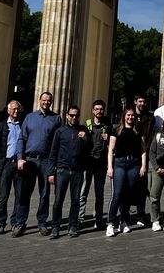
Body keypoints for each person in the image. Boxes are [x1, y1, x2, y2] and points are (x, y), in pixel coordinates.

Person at [13, 92, 60, 237]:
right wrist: (20, 158)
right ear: (39, 101)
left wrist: (54, 164)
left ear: (51, 102)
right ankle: (20, 223)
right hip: (30, 160)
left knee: (44, 194)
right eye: (44, 100)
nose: (46, 102)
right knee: (24, 193)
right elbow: (21, 139)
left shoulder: (56, 118)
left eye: (49, 100)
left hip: (46, 161)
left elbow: (58, 143)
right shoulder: (30, 117)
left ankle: (42, 222)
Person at [49, 104, 89, 238]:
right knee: (58, 200)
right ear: (67, 116)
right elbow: (53, 152)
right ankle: (55, 227)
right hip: (62, 170)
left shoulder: (83, 130)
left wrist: (85, 139)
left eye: (76, 115)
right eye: (71, 115)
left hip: (77, 171)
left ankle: (72, 226)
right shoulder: (60, 131)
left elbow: (89, 149)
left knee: (75, 200)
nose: (74, 118)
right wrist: (51, 172)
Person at [106, 109, 147, 237]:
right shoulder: (117, 130)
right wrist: (110, 167)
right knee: (117, 194)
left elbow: (143, 149)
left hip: (134, 164)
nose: (130, 117)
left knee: (128, 194)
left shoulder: (138, 130)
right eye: (128, 115)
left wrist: (143, 166)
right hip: (119, 164)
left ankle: (124, 221)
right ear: (124, 116)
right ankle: (110, 223)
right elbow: (111, 150)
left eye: (132, 115)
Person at [0, 100, 22, 235]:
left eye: (18, 109)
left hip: (19, 164)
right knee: (3, 196)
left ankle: (15, 222)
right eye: (13, 109)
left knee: (19, 196)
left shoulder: (23, 125)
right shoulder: (1, 126)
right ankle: (1, 223)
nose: (16, 111)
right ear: (8, 110)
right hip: (6, 164)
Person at [78, 99, 110, 230]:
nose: (99, 111)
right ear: (92, 111)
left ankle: (98, 219)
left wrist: (108, 139)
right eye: (96, 109)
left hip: (101, 164)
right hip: (88, 163)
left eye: (101, 109)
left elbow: (112, 145)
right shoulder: (86, 125)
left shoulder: (107, 126)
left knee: (99, 192)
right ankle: (79, 218)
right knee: (83, 192)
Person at [131, 95, 156, 226]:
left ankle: (141, 214)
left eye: (144, 101)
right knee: (128, 185)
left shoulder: (150, 117)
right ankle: (125, 214)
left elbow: (151, 135)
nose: (142, 104)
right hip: (130, 155)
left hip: (143, 155)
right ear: (135, 102)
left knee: (142, 186)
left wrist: (145, 151)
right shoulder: (129, 114)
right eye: (140, 101)